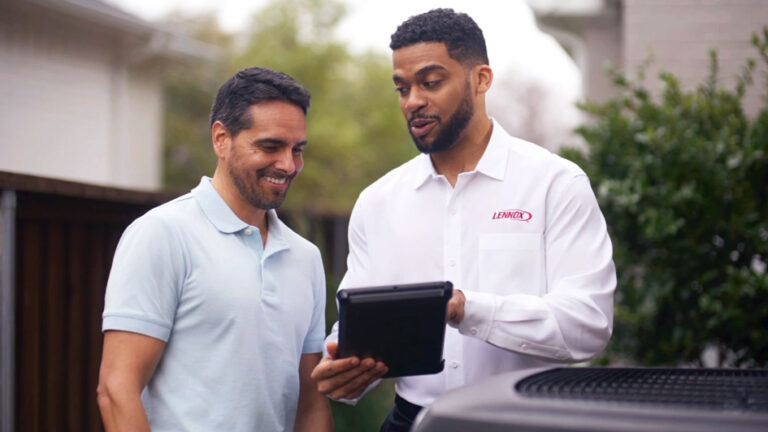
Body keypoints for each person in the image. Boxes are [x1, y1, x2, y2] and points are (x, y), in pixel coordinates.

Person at [310, 8, 616, 432]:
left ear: (481, 79)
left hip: (529, 421)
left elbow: (588, 325)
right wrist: (345, 370)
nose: (413, 100)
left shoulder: (555, 184)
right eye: (402, 88)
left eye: (431, 82)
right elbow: (358, 327)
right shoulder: (378, 202)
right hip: (412, 421)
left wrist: (466, 309)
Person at [96, 67, 333, 432]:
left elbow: (311, 403)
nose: (288, 164)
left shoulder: (306, 258)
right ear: (221, 139)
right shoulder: (162, 234)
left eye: (297, 150)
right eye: (270, 146)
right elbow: (117, 389)